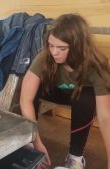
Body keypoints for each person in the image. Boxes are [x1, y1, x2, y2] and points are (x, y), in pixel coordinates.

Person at [20, 14, 110, 169]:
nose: (54, 52)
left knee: (87, 96)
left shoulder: (96, 66)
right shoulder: (45, 57)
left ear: (78, 46)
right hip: (52, 91)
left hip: (78, 95)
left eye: (62, 48)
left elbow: (105, 118)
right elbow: (25, 99)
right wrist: (36, 141)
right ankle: (29, 144)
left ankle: (75, 158)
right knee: (30, 88)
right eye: (51, 45)